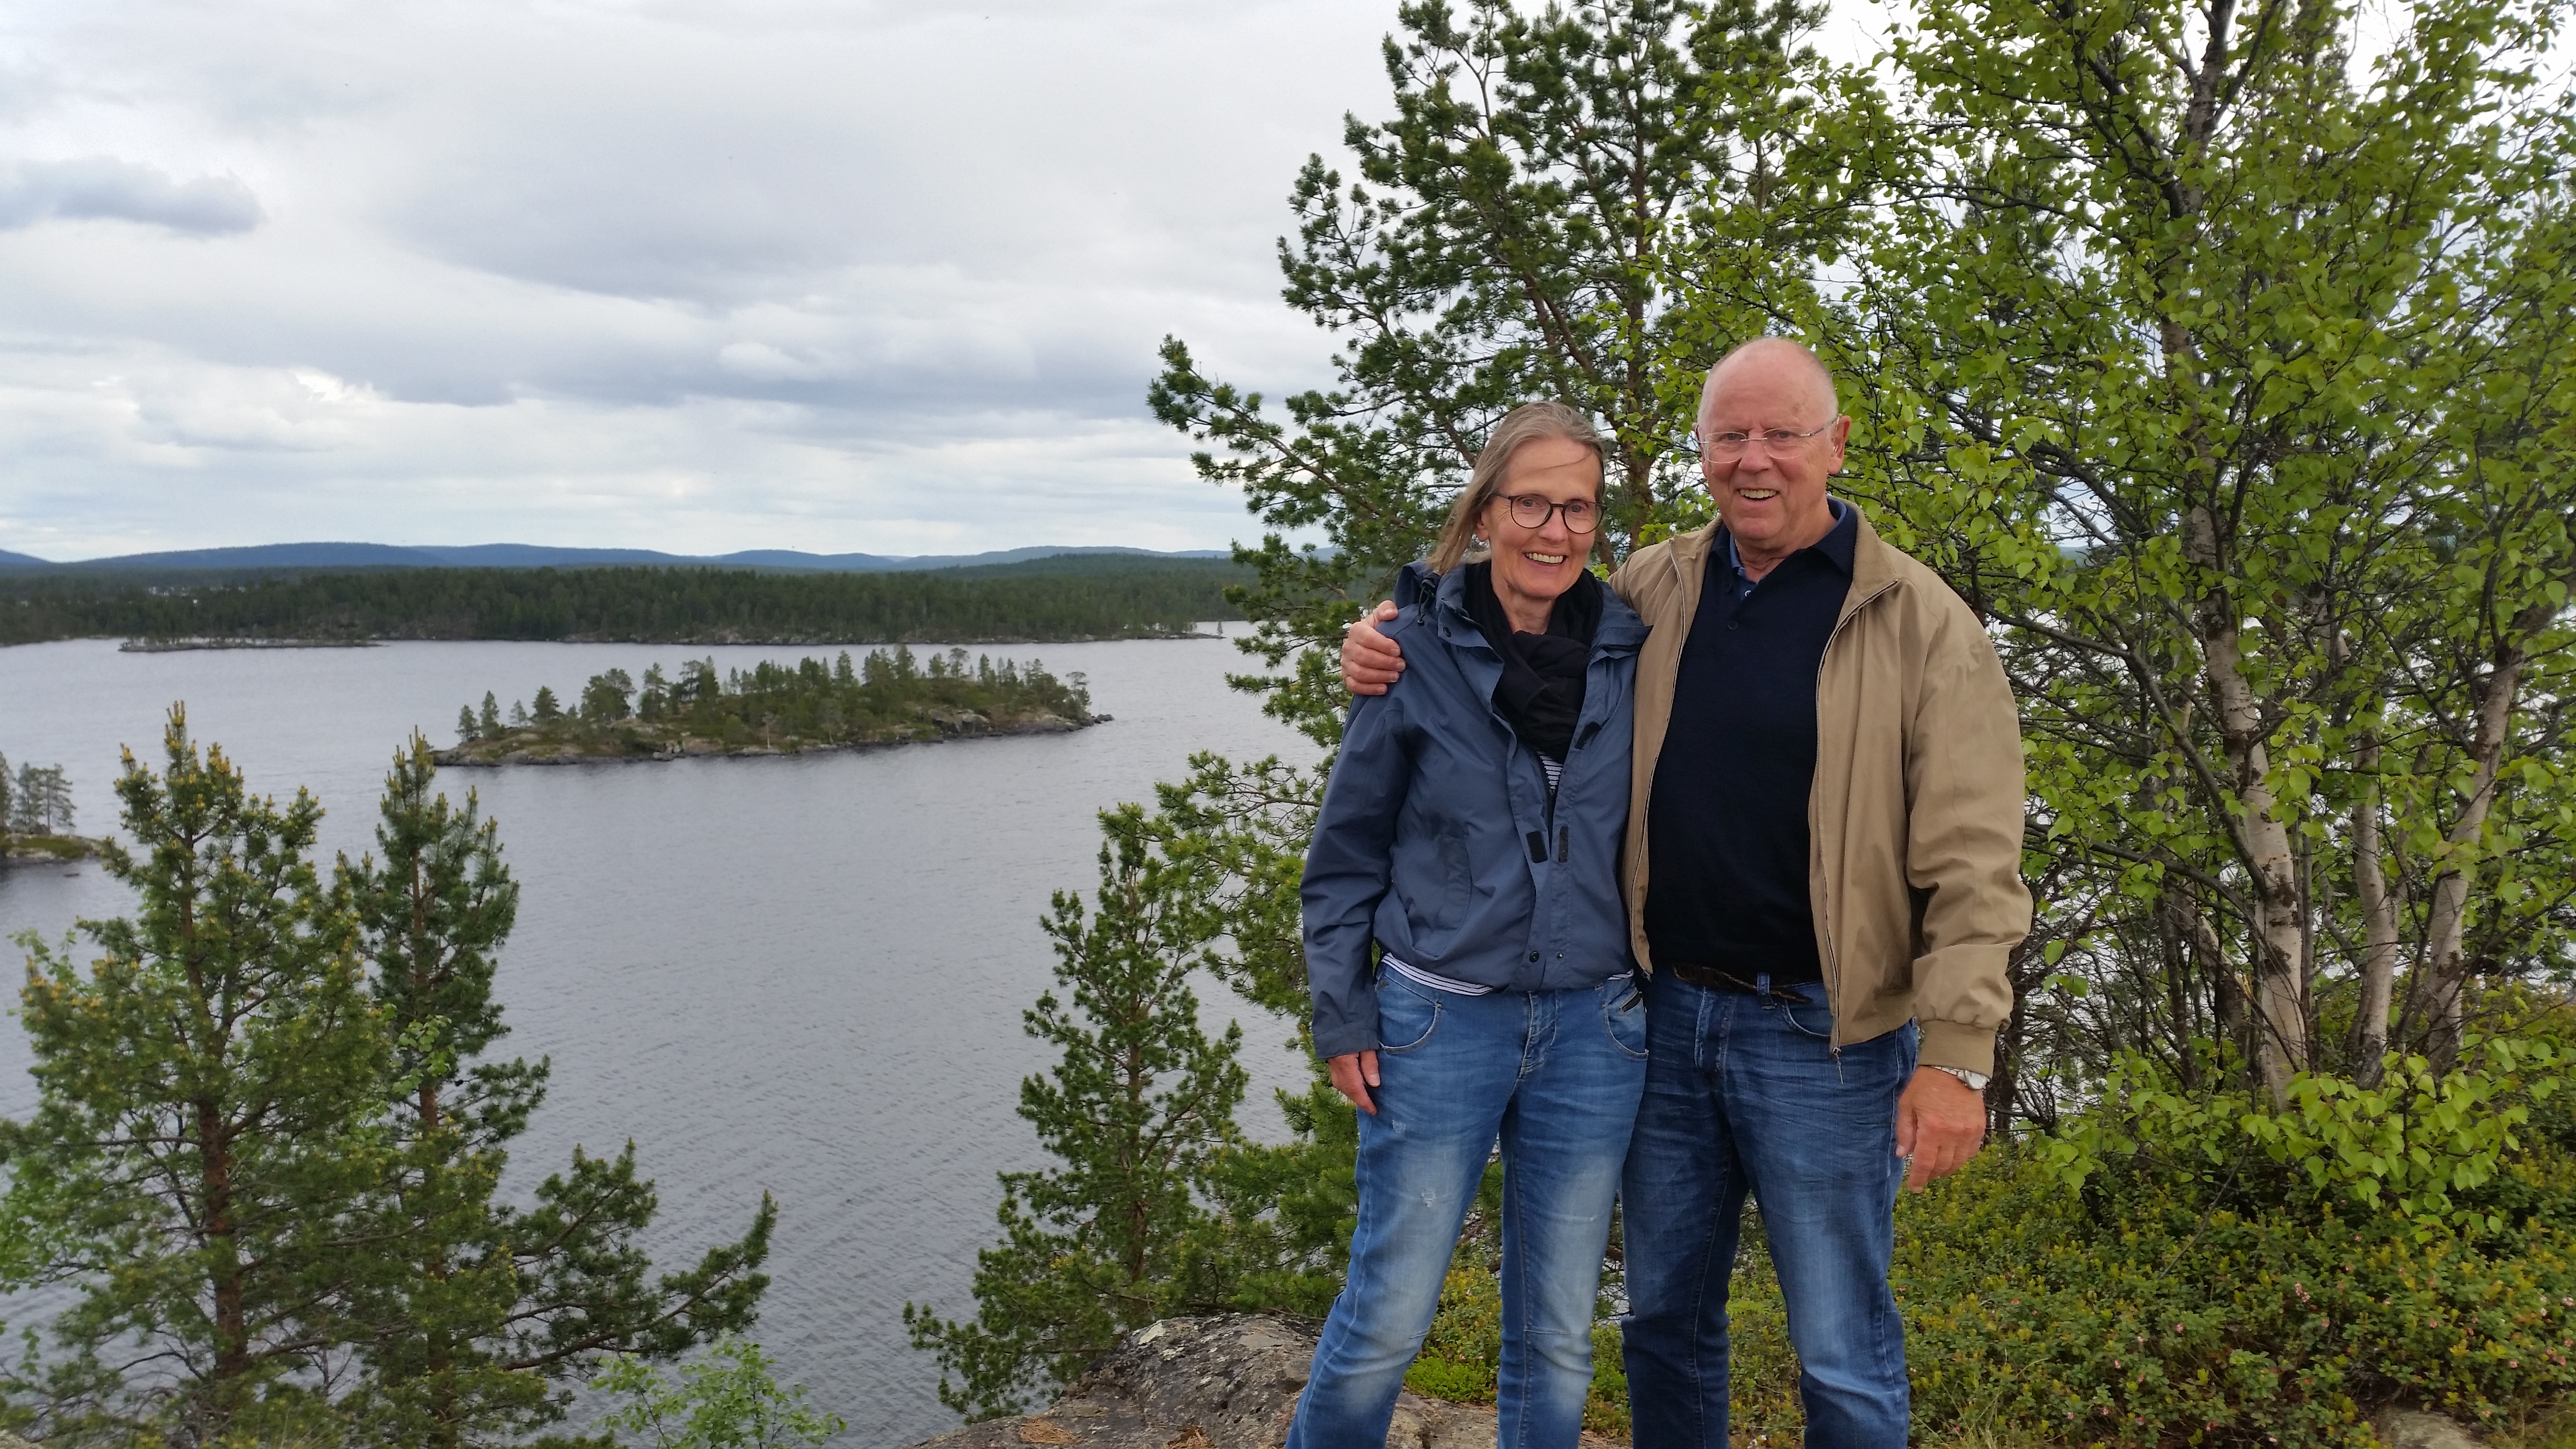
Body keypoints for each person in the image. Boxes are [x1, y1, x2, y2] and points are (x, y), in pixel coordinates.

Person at [1339, 338, 2031, 1449]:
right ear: (1703, 452)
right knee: (1662, 1319)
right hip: (1659, 1023)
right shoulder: (1652, 589)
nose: (1754, 461)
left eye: (1781, 436)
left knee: (1840, 1348)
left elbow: (1974, 860)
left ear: (1835, 447)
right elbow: (1515, 604)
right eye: (1729, 438)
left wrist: (1956, 1057)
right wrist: (1386, 637)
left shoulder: (1922, 624)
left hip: (1827, 1040)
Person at [1294, 401, 1651, 1449]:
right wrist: (1341, 1015)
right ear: (1487, 511)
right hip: (1435, 1026)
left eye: (1577, 507)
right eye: (1531, 503)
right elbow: (1344, 855)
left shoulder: (1635, 650)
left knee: (1555, 1334)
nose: (1554, 530)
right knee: (1388, 1316)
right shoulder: (1411, 653)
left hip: (1595, 1029)